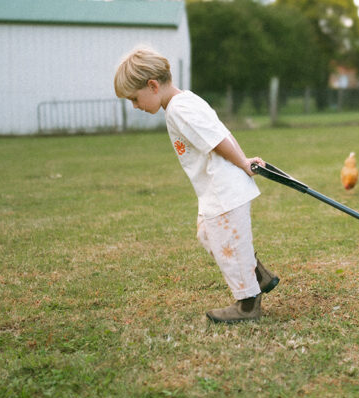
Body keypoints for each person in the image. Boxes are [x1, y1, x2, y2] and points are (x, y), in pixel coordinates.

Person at [113, 47, 279, 323]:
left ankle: (248, 305)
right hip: (215, 190)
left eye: (134, 98)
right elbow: (221, 132)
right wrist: (243, 160)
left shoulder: (180, 109)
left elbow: (218, 139)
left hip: (223, 189)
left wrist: (242, 162)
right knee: (207, 233)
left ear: (152, 86)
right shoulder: (183, 102)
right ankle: (258, 275)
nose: (135, 106)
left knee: (228, 245)